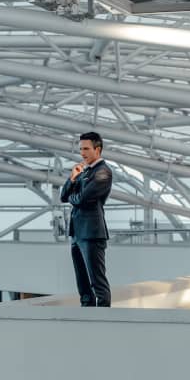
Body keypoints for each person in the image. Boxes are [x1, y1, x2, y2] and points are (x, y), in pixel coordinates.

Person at [60, 131, 113, 306]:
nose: (82, 153)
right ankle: (87, 309)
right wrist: (72, 178)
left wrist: (72, 197)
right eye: (81, 149)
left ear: (97, 150)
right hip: (77, 232)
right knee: (82, 280)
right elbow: (63, 196)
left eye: (86, 149)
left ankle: (103, 315)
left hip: (91, 232)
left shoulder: (103, 172)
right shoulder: (84, 171)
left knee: (97, 280)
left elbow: (81, 198)